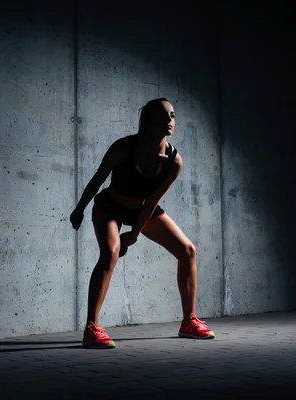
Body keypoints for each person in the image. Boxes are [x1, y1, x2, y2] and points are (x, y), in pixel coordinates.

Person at [69, 98, 215, 349]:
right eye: (163, 116)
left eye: (172, 115)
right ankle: (91, 328)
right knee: (111, 253)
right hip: (110, 206)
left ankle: (189, 321)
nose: (170, 121)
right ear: (147, 121)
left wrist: (135, 233)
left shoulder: (173, 161)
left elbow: (152, 201)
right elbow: (97, 180)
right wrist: (80, 209)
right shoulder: (123, 147)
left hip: (142, 209)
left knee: (188, 251)